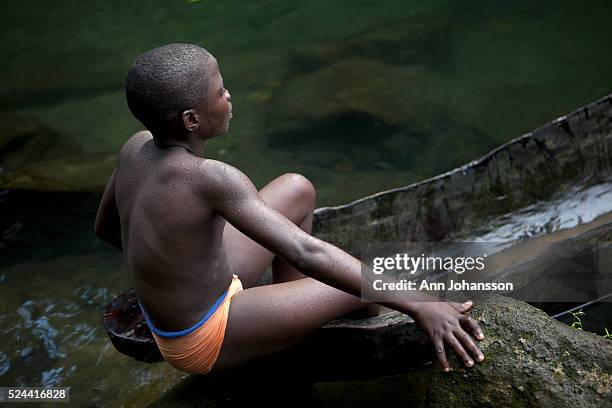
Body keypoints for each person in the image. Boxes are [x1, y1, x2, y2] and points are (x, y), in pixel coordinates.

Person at [94, 43, 484, 375]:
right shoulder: (210, 177)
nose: (229, 97)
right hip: (201, 335)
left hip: (205, 292)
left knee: (297, 189)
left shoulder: (135, 147)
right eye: (220, 91)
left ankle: (285, 317)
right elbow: (307, 252)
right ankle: (308, 356)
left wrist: (167, 273)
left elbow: (107, 229)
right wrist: (421, 305)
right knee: (368, 284)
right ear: (191, 120)